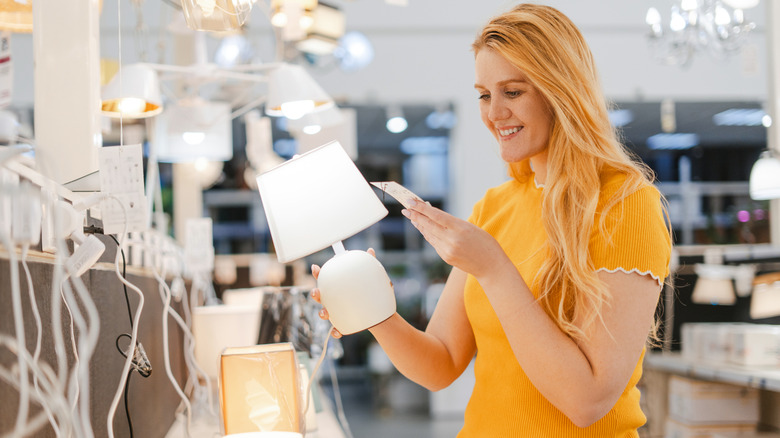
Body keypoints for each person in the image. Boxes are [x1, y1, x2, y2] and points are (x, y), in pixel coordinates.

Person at [311, 3, 672, 436]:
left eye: (513, 92)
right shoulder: (493, 207)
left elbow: (588, 401)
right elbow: (441, 363)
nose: (494, 112)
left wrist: (494, 268)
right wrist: (375, 311)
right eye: (484, 94)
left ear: (562, 91)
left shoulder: (626, 204)